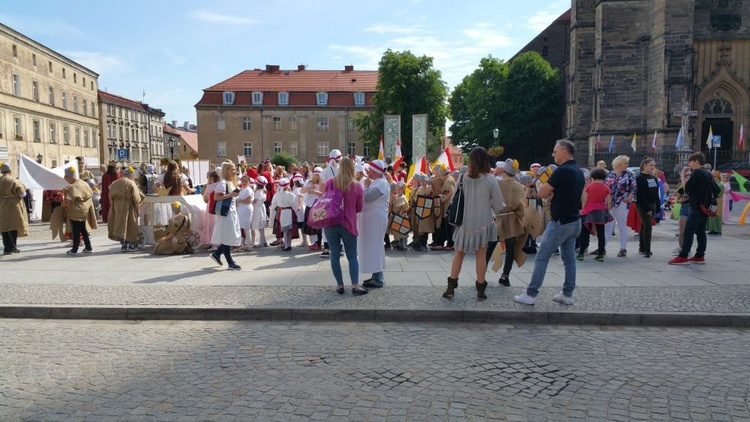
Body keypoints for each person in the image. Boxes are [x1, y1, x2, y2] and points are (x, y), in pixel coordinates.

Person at [514, 140, 584, 306]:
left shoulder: (561, 171)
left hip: (560, 221)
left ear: (564, 152)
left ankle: (531, 294)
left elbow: (542, 193)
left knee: (541, 257)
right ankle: (567, 294)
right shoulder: (578, 171)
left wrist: (545, 190)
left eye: (555, 151)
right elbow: (566, 194)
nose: (553, 154)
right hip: (574, 220)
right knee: (569, 259)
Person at [443, 147, 505, 301]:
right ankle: (480, 290)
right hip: (483, 222)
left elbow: (454, 200)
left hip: (464, 222)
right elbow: (498, 205)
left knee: (459, 254)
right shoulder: (491, 179)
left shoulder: (463, 177)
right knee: (481, 256)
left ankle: (450, 288)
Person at [322, 157, 367, 295]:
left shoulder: (330, 182)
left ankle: (340, 286)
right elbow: (359, 208)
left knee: (334, 255)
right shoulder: (357, 186)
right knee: (352, 256)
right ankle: (355, 286)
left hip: (330, 222)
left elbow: (325, 199)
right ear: (352, 169)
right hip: (348, 223)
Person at [670, 152, 716, 265]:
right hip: (705, 206)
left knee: (688, 230)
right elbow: (716, 190)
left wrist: (682, 175)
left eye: (690, 162)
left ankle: (683, 256)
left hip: (697, 206)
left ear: (696, 161)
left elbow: (687, 188)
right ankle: (700, 255)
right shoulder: (708, 173)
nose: (690, 164)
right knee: (700, 231)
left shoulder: (697, 172)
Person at [486, 158, 525, 286]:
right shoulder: (518, 186)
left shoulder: (496, 183)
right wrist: (519, 216)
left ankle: (481, 273)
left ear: (504, 171)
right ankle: (505, 276)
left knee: (490, 246)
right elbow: (521, 207)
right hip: (511, 219)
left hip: (497, 217)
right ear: (515, 173)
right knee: (510, 248)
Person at [359, 159, 391, 289]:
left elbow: (368, 197)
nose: (368, 173)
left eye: (371, 170)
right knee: (372, 246)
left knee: (375, 245)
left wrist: (365, 187)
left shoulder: (382, 183)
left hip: (376, 218)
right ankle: (376, 275)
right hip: (372, 218)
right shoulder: (377, 182)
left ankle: (378, 278)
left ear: (377, 171)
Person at [210, 162, 242, 270]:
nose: (235, 171)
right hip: (226, 212)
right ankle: (230, 262)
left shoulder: (230, 182)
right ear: (226, 170)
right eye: (232, 169)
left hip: (231, 211)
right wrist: (231, 195)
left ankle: (218, 254)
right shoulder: (223, 183)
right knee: (227, 236)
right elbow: (216, 197)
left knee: (228, 236)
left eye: (235, 169)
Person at [603, 155, 636, 257]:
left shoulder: (629, 174)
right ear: (619, 164)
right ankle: (602, 247)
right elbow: (605, 188)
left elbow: (634, 187)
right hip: (611, 202)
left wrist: (630, 197)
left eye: (627, 163)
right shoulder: (610, 174)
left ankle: (623, 248)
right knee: (608, 225)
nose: (627, 165)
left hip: (622, 201)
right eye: (625, 163)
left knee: (622, 225)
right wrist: (608, 200)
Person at [577, 167, 612, 261]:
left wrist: (583, 209)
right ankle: (600, 254)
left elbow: (585, 199)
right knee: (601, 233)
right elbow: (609, 201)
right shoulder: (606, 187)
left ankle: (581, 253)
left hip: (588, 211)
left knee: (584, 233)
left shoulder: (589, 187)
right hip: (600, 210)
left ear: (592, 176)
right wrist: (608, 211)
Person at [107, 166, 145, 252]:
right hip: (128, 205)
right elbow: (136, 198)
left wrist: (113, 206)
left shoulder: (114, 183)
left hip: (116, 206)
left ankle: (123, 244)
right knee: (131, 224)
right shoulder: (131, 183)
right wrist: (138, 209)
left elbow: (110, 196)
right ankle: (131, 245)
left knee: (119, 224)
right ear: (130, 175)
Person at [63, 165, 97, 254]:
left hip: (76, 210)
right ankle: (88, 247)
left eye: (66, 178)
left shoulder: (71, 187)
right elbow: (91, 193)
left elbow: (69, 201)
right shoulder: (84, 183)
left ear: (68, 177)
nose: (66, 180)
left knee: (76, 230)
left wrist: (65, 208)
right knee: (83, 229)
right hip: (85, 208)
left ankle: (74, 249)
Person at [0, 163, 28, 255]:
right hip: (14, 206)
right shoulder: (14, 181)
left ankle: (7, 248)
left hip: (2, 205)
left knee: (4, 227)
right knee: (14, 226)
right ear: (10, 171)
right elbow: (23, 194)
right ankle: (13, 247)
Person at [634, 158, 660, 258]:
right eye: (651, 165)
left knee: (644, 225)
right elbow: (640, 194)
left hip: (652, 203)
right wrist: (646, 208)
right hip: (643, 204)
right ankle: (647, 250)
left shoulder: (653, 178)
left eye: (654, 165)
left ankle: (642, 247)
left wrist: (657, 207)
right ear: (644, 165)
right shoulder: (639, 177)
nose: (653, 168)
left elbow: (656, 192)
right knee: (648, 226)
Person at [269, 177, 299, 251]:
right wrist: (297, 214)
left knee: (285, 231)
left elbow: (274, 205)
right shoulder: (291, 195)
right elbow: (294, 205)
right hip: (289, 212)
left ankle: (286, 245)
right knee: (289, 230)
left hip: (282, 212)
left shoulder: (277, 194)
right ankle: (289, 245)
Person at [301, 167, 324, 250]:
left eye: (319, 175)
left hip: (319, 206)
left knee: (319, 226)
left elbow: (323, 194)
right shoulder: (308, 182)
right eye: (316, 175)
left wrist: (314, 191)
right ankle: (314, 242)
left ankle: (319, 243)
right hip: (310, 205)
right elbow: (302, 191)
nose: (318, 177)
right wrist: (309, 188)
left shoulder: (322, 183)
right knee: (311, 227)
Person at [236, 175, 254, 251]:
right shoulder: (241, 189)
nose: (244, 182)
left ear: (249, 182)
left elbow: (248, 201)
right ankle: (241, 243)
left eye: (246, 181)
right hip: (240, 208)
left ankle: (248, 245)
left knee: (246, 227)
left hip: (246, 209)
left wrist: (239, 201)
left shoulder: (248, 190)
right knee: (240, 226)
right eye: (243, 181)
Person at [250, 175, 269, 248]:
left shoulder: (259, 192)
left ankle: (261, 242)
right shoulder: (263, 191)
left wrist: (249, 200)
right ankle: (263, 241)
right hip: (260, 207)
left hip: (258, 208)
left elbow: (255, 201)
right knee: (261, 225)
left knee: (260, 225)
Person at [706, 170, 724, 235]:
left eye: (714, 177)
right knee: (711, 216)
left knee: (716, 216)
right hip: (713, 202)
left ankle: (716, 230)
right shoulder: (715, 184)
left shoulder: (720, 185)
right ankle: (712, 229)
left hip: (717, 202)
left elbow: (718, 194)